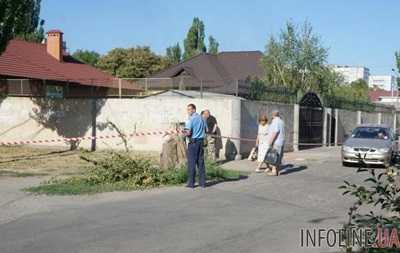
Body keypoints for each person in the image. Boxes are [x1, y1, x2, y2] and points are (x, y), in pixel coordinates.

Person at [184, 104, 207, 188]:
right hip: (201, 142)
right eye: (187, 110)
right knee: (200, 162)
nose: (188, 111)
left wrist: (182, 132)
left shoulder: (191, 119)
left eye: (189, 109)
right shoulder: (202, 118)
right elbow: (206, 129)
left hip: (193, 143)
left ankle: (191, 183)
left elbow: (188, 132)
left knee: (191, 163)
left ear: (194, 110)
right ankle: (202, 183)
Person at [266, 110, 285, 176]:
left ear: (273, 114)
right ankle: (278, 171)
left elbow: (275, 132)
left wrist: (271, 141)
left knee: (274, 156)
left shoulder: (276, 121)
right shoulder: (281, 121)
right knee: (279, 156)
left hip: (276, 141)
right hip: (281, 141)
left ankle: (274, 171)